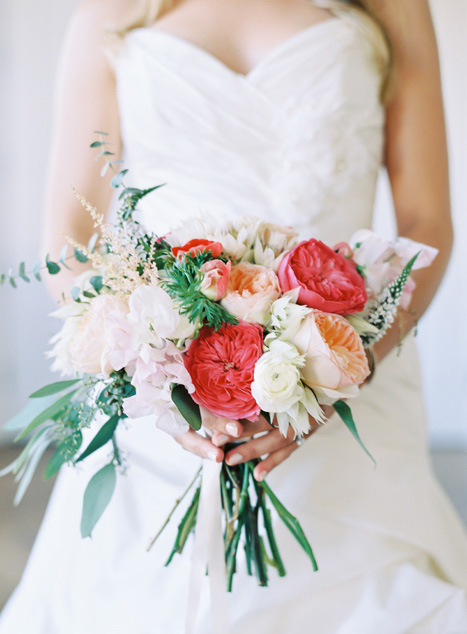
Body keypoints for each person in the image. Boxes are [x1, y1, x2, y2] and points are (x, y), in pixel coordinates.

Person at [1, 0, 467, 631]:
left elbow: (425, 224)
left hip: (350, 378)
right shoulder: (110, 10)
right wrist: (155, 374)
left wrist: (339, 373)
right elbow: (70, 239)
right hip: (161, 404)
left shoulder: (396, 7)